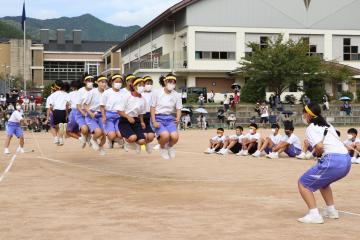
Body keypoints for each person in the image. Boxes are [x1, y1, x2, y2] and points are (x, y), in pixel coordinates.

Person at [297, 103, 351, 224]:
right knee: (323, 182)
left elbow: (320, 147)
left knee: (303, 184)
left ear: (308, 115)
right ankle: (331, 210)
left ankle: (314, 214)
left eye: (304, 113)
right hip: (346, 160)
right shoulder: (328, 125)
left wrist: (316, 154)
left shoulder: (311, 128)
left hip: (333, 160)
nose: (303, 116)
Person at [151, 74, 182, 160]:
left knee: (175, 137)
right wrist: (154, 121)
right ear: (165, 82)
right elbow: (152, 107)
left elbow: (178, 108)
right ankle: (162, 147)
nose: (171, 84)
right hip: (158, 118)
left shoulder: (176, 95)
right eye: (169, 82)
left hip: (169, 118)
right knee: (165, 136)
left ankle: (169, 146)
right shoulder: (157, 92)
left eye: (173, 82)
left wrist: (178, 118)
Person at [118, 77, 147, 154]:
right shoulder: (127, 96)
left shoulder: (143, 99)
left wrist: (142, 122)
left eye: (143, 85)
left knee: (142, 141)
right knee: (133, 137)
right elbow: (119, 111)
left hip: (136, 121)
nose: (142, 87)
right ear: (134, 86)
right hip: (125, 121)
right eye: (140, 85)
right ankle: (126, 141)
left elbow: (141, 113)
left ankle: (135, 144)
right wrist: (128, 117)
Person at [100, 74, 126, 149]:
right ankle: (111, 140)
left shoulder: (124, 93)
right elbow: (102, 106)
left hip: (120, 116)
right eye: (116, 81)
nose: (118, 83)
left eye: (120, 82)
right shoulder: (107, 92)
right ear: (112, 82)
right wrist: (104, 116)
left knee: (121, 134)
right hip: (109, 116)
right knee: (112, 135)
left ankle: (119, 138)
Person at [84, 76, 107, 155]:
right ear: (97, 83)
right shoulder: (92, 92)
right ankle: (93, 139)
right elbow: (85, 105)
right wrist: (90, 113)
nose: (104, 84)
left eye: (105, 82)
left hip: (101, 115)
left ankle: (100, 147)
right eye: (102, 82)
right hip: (91, 115)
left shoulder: (107, 93)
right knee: (98, 132)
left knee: (104, 134)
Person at [49, 80, 70, 146]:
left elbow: (51, 106)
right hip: (63, 111)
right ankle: (60, 139)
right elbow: (67, 104)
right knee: (62, 126)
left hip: (56, 111)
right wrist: (67, 114)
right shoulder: (66, 94)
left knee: (56, 126)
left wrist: (52, 111)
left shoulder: (53, 94)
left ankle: (57, 138)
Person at [76, 74, 95, 148]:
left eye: (91, 80)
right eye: (88, 80)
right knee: (84, 129)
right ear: (84, 81)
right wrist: (83, 113)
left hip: (91, 112)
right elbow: (78, 105)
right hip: (81, 113)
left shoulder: (95, 90)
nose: (90, 82)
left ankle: (89, 138)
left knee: (93, 129)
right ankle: (84, 137)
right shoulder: (81, 91)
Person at [141, 76, 156, 151]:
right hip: (142, 116)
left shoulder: (154, 93)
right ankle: (141, 144)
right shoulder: (140, 94)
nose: (149, 85)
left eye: (150, 83)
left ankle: (147, 143)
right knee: (143, 133)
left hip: (151, 115)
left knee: (151, 135)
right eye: (147, 83)